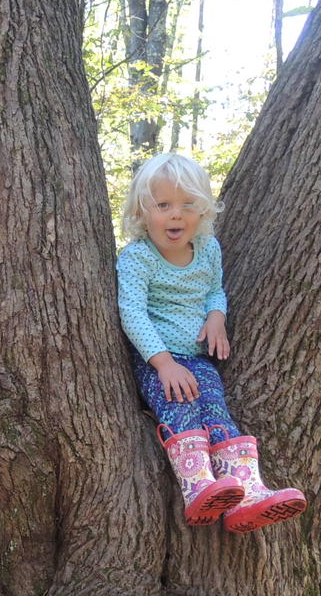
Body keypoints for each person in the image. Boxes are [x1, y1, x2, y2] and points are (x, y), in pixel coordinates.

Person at [116, 152, 306, 532]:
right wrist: (163, 363)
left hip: (199, 359)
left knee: (218, 414)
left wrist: (217, 318)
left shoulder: (207, 250)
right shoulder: (138, 258)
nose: (176, 215)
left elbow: (214, 293)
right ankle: (198, 488)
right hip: (157, 361)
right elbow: (132, 312)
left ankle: (248, 496)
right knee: (181, 408)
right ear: (141, 212)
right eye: (164, 205)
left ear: (202, 211)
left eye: (188, 205)